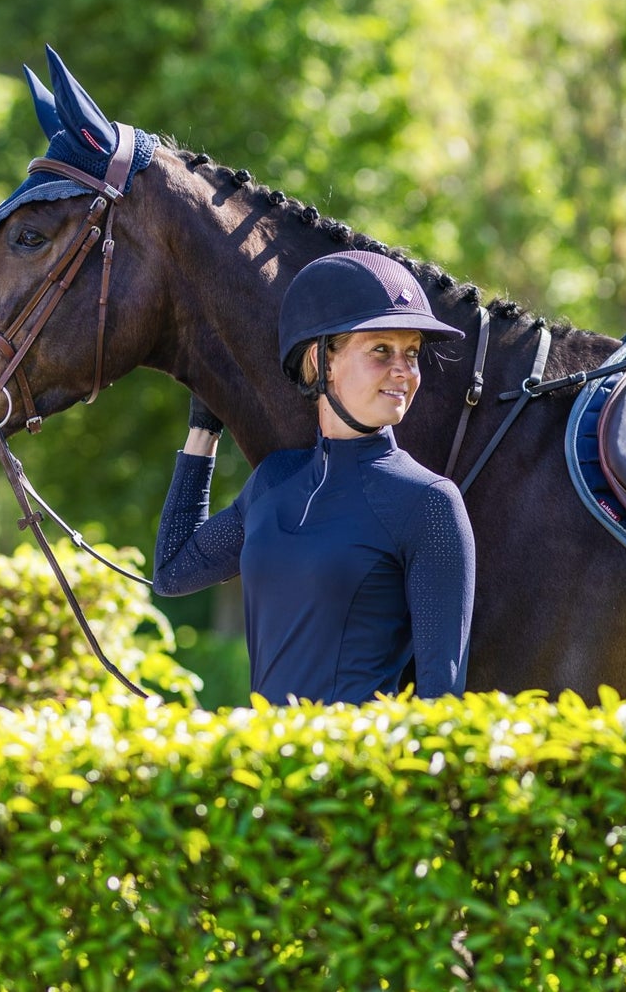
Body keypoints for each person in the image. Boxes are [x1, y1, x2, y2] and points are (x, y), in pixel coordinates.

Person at [152, 250, 475, 704]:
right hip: (261, 766)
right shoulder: (273, 480)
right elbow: (172, 571)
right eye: (382, 349)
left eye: (412, 353)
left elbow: (442, 703)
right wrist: (204, 428)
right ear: (323, 362)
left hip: (353, 770)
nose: (404, 370)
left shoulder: (429, 503)